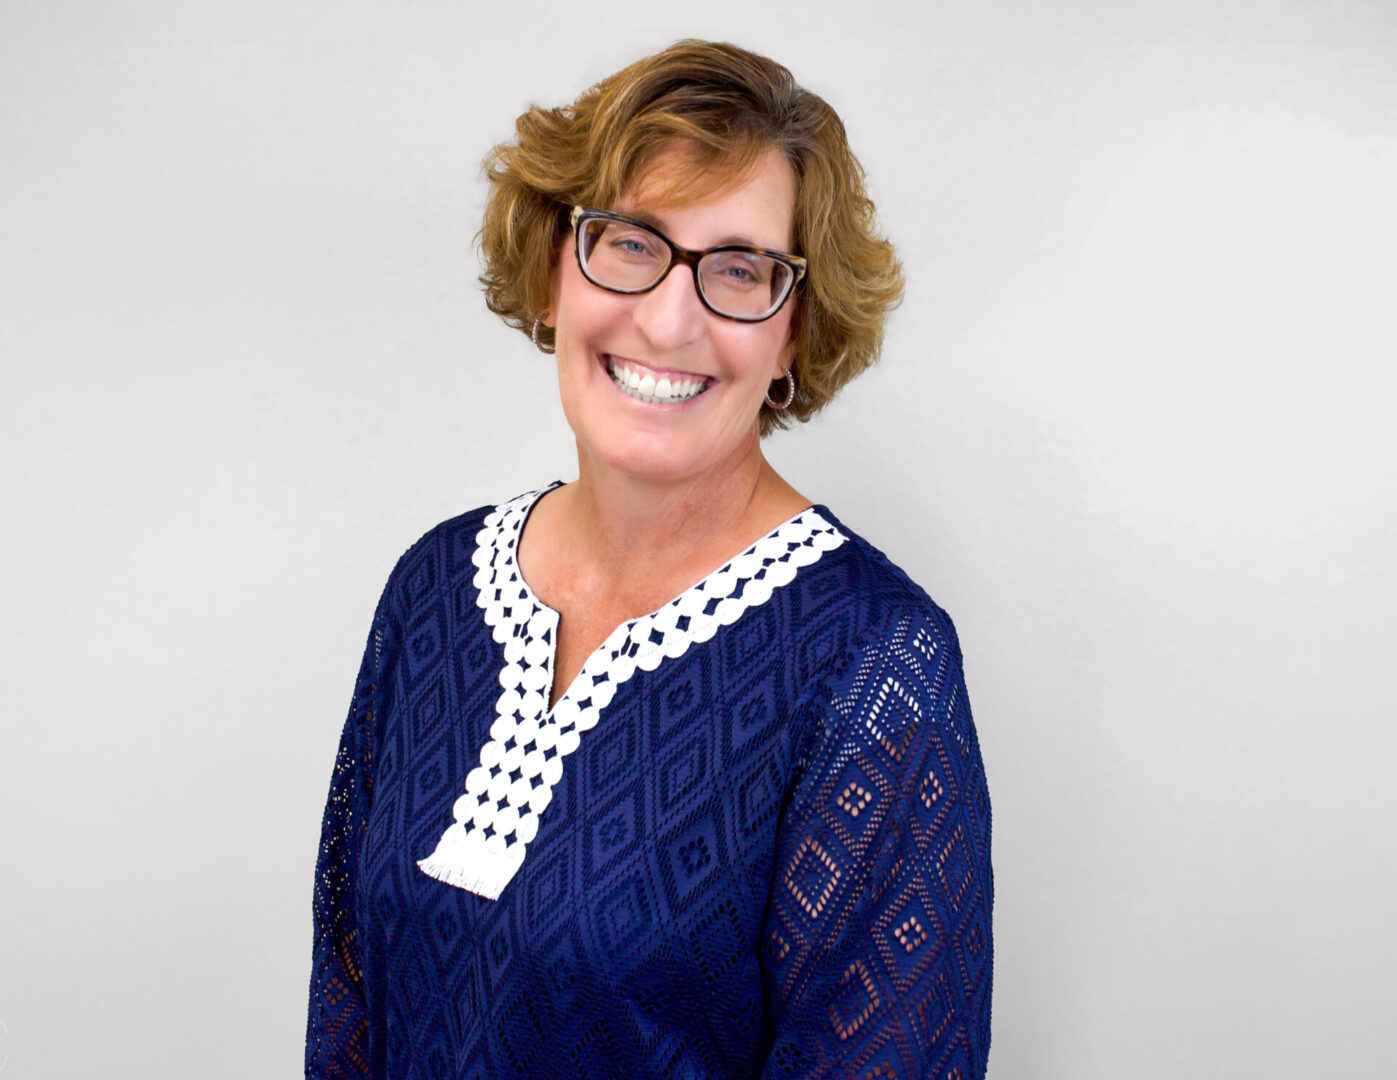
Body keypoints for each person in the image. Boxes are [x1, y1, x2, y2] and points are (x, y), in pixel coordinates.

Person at [305, 39, 993, 1079]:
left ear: (792, 333)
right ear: (551, 271)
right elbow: (348, 1006)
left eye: (738, 267)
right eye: (629, 243)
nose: (669, 319)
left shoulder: (871, 666)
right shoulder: (435, 587)